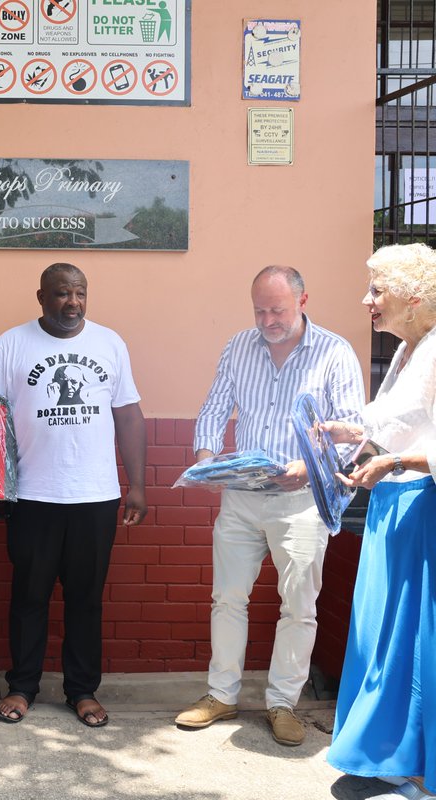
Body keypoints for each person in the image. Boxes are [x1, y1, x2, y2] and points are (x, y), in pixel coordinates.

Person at [175, 265, 363, 747]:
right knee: (227, 599)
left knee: (298, 608)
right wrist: (206, 462)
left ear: (302, 300)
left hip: (301, 501)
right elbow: (216, 407)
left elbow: (352, 430)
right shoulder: (239, 346)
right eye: (259, 309)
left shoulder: (335, 351)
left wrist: (309, 465)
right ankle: (221, 695)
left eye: (277, 309)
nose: (267, 319)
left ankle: (283, 704)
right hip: (241, 496)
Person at [0, 262, 147, 729]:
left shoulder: (110, 343)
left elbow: (129, 416)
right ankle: (22, 686)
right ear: (41, 297)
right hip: (32, 495)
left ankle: (82, 691)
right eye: (61, 294)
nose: (72, 302)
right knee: (29, 596)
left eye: (80, 293)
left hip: (95, 496)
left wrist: (137, 486)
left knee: (86, 599)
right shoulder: (11, 344)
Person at [324, 243, 436, 797]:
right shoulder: (407, 349)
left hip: (423, 509)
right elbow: (398, 422)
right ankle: (391, 752)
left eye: (377, 290)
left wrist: (390, 461)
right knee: (383, 633)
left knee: (415, 636)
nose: (365, 299)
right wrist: (359, 439)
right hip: (393, 503)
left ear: (413, 298)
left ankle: (417, 765)